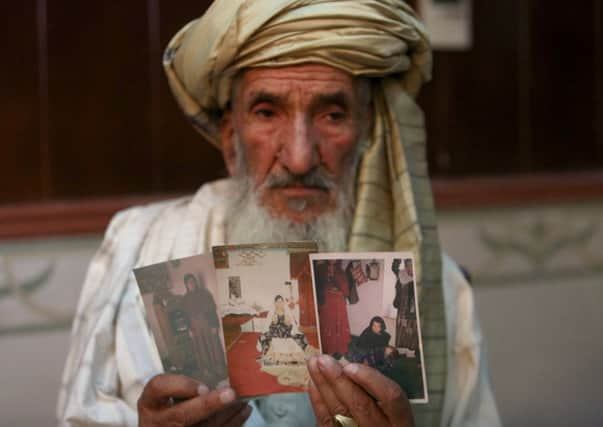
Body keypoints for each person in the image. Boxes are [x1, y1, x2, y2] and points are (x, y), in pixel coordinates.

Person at [57, 1, 501, 426]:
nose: (301, 157)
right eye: (267, 112)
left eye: (332, 115)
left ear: (367, 137)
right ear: (232, 141)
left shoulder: (434, 284)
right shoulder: (139, 242)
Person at [182, 273, 227, 388]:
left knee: (213, 346)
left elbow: (212, 310)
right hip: (195, 327)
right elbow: (185, 316)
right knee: (201, 349)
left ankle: (219, 369)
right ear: (186, 285)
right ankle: (207, 371)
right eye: (188, 283)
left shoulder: (205, 294)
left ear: (195, 282)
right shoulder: (185, 299)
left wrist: (214, 325)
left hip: (207, 324)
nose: (191, 284)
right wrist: (189, 329)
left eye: (193, 281)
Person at [314, 260, 353, 356]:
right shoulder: (319, 269)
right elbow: (317, 288)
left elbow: (346, 291)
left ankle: (339, 350)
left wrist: (338, 287)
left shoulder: (340, 271)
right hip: (326, 305)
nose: (333, 260)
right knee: (328, 326)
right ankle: (329, 351)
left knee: (338, 326)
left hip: (339, 305)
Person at [392, 258, 419, 352]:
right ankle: (399, 353)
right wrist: (397, 259)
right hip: (402, 310)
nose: (409, 268)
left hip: (414, 313)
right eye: (407, 265)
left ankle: (413, 354)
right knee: (400, 334)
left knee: (412, 335)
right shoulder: (402, 275)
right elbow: (394, 268)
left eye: (411, 265)